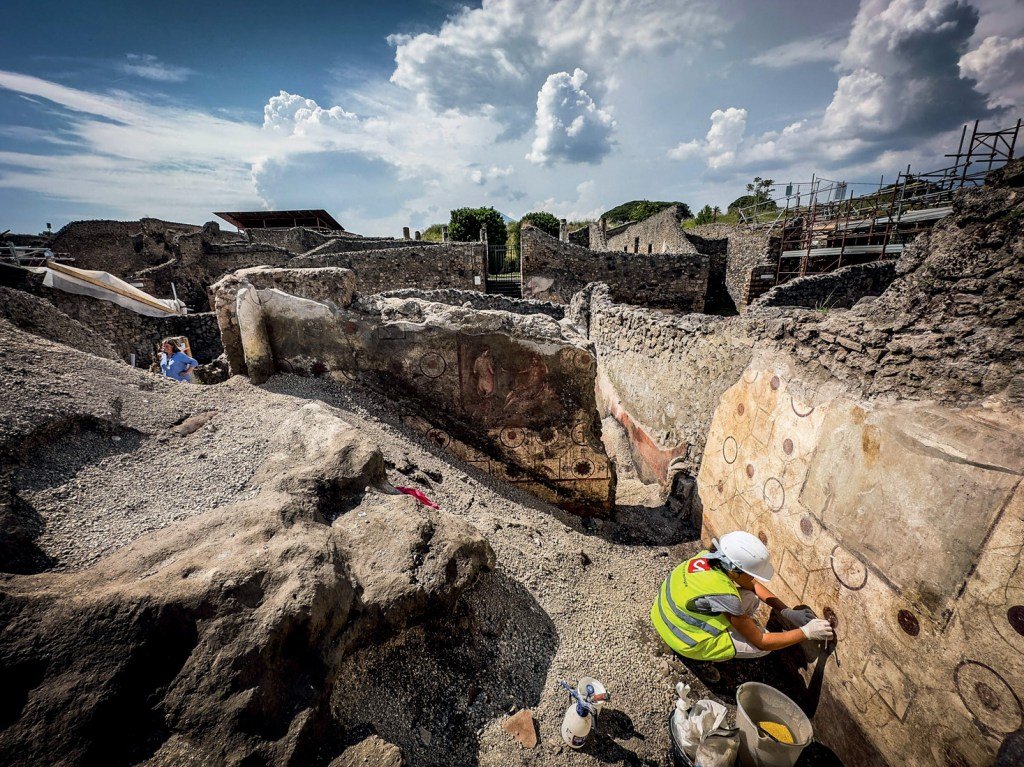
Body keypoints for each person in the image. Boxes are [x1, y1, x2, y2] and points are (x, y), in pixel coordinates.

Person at [651, 531, 834, 662]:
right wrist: (806, 632)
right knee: (760, 649)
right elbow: (762, 642)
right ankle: (700, 658)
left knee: (751, 598)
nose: (753, 578)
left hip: (663, 615)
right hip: (685, 639)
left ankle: (738, 628)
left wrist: (786, 611)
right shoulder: (725, 594)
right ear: (736, 572)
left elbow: (753, 586)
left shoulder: (708, 558)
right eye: (750, 572)